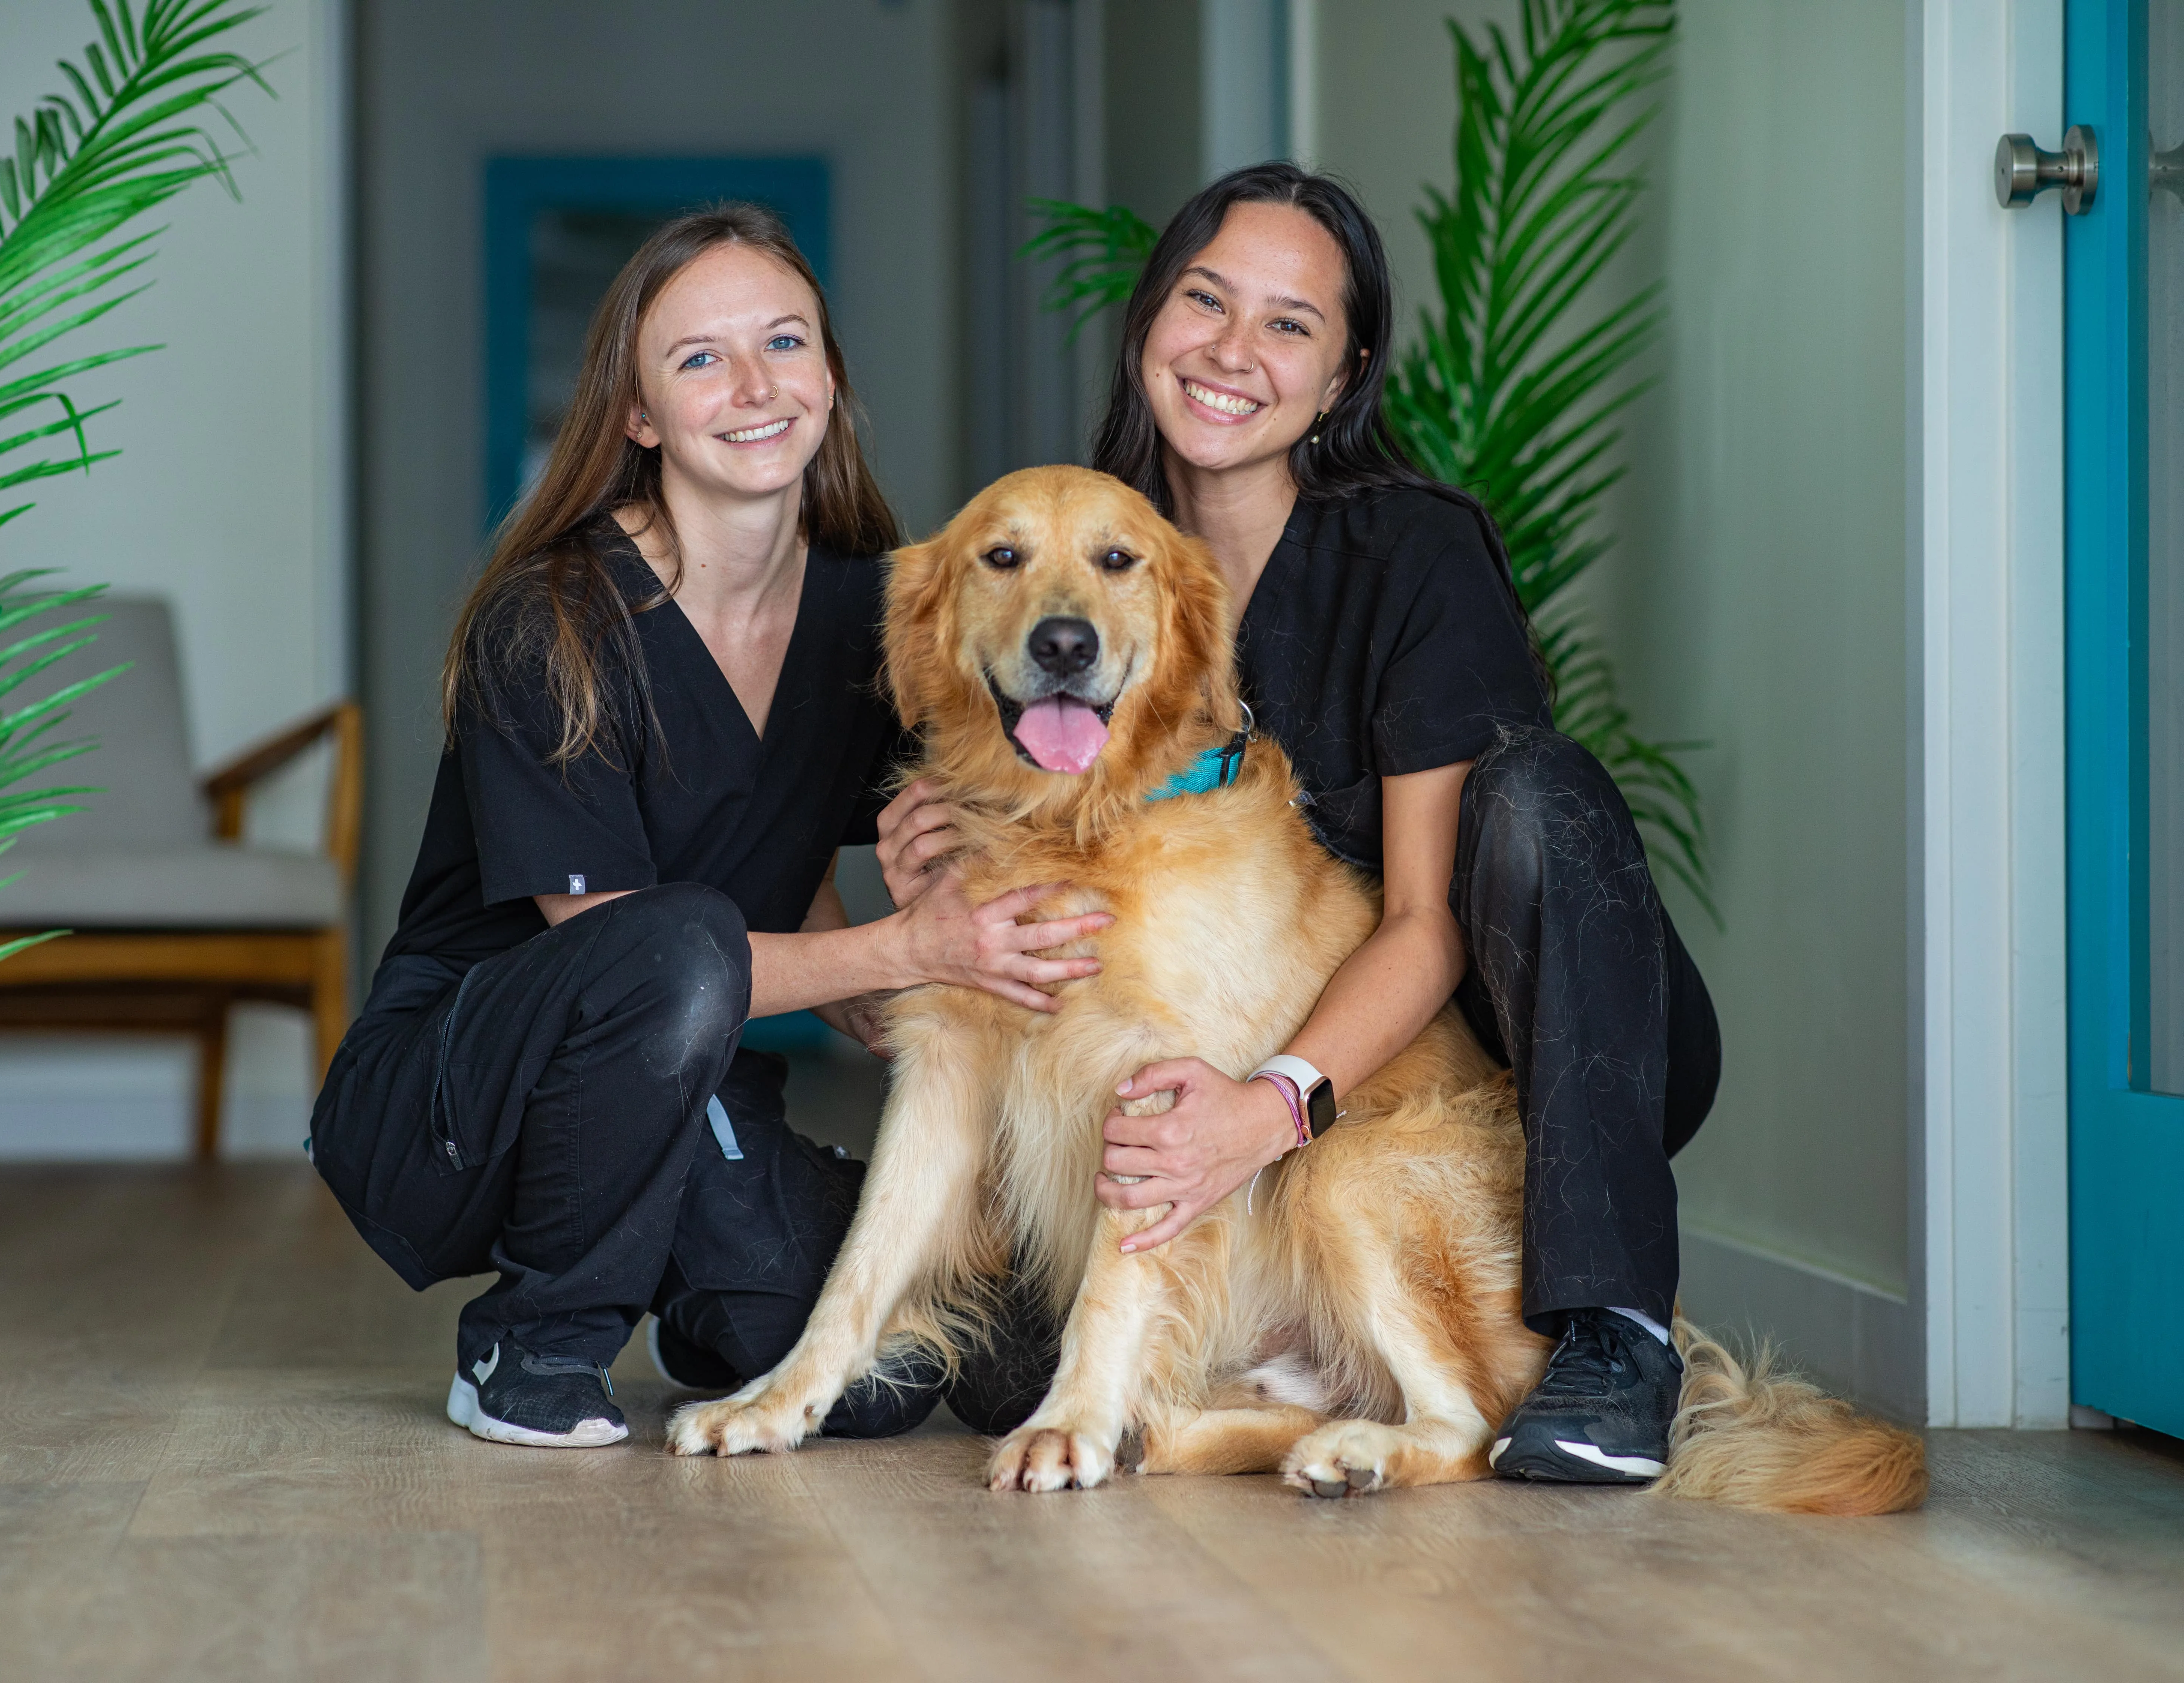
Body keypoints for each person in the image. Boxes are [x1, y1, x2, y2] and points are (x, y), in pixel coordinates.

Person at [876, 162, 1722, 1484]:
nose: (1231, 352)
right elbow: (998, 776)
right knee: (998, 1384)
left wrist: (1270, 1109)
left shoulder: (1414, 553)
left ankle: (1611, 1331)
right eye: (1205, 301)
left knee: (1536, 795)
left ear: (1343, 378)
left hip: (1505, 1054)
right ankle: (1266, 1392)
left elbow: (1427, 919)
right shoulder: (1085, 544)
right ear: (1150, 319)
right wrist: (942, 849)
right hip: (1214, 1064)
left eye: (1290, 325)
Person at [308, 205, 1114, 1448]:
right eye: (700, 359)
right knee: (674, 941)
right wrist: (914, 952)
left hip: (694, 1086)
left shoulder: (875, 605)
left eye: (785, 342)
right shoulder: (553, 617)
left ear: (830, 377)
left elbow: (805, 885)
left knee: (893, 1380)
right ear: (637, 414)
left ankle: (702, 1287)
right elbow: (624, 947)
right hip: (456, 1099)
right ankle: (537, 1337)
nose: (755, 387)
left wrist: (961, 979)